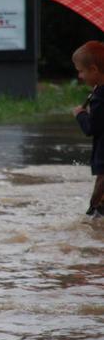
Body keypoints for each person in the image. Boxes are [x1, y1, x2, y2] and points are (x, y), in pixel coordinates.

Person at [72, 41, 104, 217]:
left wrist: (80, 114)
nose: (79, 76)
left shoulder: (100, 97)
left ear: (94, 70)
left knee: (96, 211)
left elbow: (92, 128)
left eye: (81, 71)